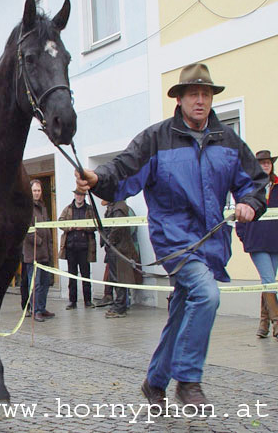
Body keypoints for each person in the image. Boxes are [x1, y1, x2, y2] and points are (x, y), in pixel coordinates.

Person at [76, 62, 267, 411]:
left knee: (183, 310)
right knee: (206, 295)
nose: (200, 100)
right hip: (174, 239)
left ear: (211, 99)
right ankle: (189, 381)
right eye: (192, 93)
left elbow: (255, 182)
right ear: (178, 99)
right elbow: (122, 170)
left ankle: (155, 382)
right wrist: (97, 178)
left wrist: (251, 203)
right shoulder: (156, 138)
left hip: (211, 242)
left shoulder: (228, 141)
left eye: (205, 94)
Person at [236, 150, 278, 339]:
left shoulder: (277, 186)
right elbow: (240, 212)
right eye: (262, 163)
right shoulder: (249, 186)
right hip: (257, 241)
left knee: (268, 283)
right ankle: (276, 321)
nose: (266, 165)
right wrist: (244, 236)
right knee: (269, 280)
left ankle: (263, 323)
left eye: (268, 162)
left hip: (275, 241)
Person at [100, 200, 139, 318]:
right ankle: (120, 304)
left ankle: (120, 306)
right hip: (115, 248)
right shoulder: (114, 206)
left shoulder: (119, 207)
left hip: (120, 248)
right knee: (115, 276)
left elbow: (118, 227)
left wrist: (110, 241)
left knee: (120, 277)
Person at [58, 189, 96, 309]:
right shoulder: (68, 208)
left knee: (85, 275)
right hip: (71, 247)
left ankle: (87, 301)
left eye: (82, 195)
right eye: (78, 195)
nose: (79, 197)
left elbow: (95, 224)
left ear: (84, 197)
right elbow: (60, 222)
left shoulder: (89, 209)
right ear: (74, 195)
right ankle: (72, 301)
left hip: (85, 248)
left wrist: (84, 227)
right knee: (72, 275)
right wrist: (70, 227)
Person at [23, 179, 54, 322]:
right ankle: (35, 310)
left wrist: (48, 245)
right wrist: (40, 242)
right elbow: (28, 232)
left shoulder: (42, 206)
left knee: (45, 282)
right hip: (33, 253)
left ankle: (42, 308)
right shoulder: (27, 207)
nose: (37, 193)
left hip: (45, 253)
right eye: (34, 190)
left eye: (39, 190)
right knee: (34, 284)